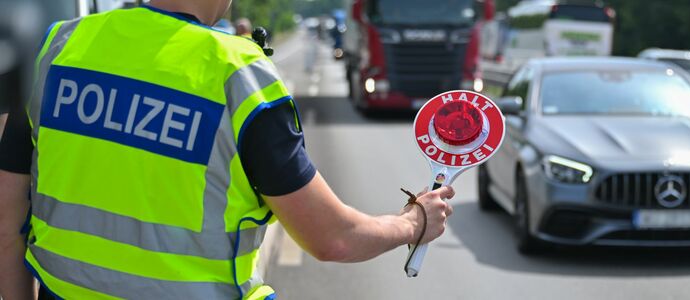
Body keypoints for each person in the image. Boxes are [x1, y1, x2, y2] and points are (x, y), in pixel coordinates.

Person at [0, 0, 455, 299]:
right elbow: (333, 238)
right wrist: (412, 222)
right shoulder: (239, 77)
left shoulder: (59, 48)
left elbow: (6, 224)